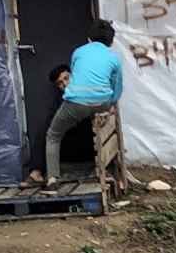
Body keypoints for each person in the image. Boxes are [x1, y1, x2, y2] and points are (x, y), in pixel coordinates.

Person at [39, 22, 122, 183]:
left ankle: (52, 179)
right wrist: (110, 102)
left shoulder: (78, 53)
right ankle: (105, 171)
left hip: (75, 103)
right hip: (102, 102)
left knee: (53, 135)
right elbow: (117, 88)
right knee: (105, 130)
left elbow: (78, 76)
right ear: (111, 42)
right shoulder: (114, 59)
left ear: (89, 39)